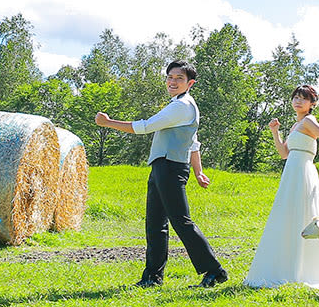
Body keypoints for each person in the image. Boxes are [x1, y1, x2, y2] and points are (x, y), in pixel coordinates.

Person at [95, 60, 228, 289]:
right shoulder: (179, 104)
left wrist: (108, 123)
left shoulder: (181, 106)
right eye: (170, 77)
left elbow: (145, 126)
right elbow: (194, 144)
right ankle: (152, 277)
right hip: (162, 166)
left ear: (190, 83)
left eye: (179, 78)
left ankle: (215, 271)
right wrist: (198, 172)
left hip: (171, 167)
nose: (173, 82)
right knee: (155, 224)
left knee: (181, 222)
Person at [243, 85, 319, 289]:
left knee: (304, 213)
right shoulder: (295, 125)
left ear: (312, 104)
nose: (298, 101)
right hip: (291, 171)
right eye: (295, 98)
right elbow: (283, 153)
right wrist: (275, 132)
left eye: (303, 98)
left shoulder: (309, 121)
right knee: (287, 214)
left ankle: (305, 267)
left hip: (304, 171)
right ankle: (286, 265)